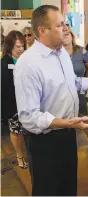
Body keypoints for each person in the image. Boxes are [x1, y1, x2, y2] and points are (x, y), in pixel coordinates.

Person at [14, 5, 88, 196]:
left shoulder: (62, 55)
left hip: (68, 136)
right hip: (45, 142)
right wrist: (65, 123)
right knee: (47, 190)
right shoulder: (28, 64)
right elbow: (28, 117)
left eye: (65, 23)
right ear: (42, 30)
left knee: (67, 188)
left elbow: (72, 83)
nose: (66, 28)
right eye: (60, 25)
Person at [63, 29, 88, 153]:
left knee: (83, 114)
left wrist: (85, 81)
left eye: (67, 33)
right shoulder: (57, 52)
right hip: (62, 91)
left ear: (72, 35)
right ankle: (67, 143)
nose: (65, 35)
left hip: (78, 90)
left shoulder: (82, 51)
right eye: (62, 34)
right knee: (64, 115)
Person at [1, 30, 28, 169]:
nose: (21, 49)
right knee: (16, 131)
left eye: (22, 45)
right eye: (17, 46)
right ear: (10, 46)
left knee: (28, 131)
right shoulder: (5, 63)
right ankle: (19, 155)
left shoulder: (27, 58)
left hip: (29, 102)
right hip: (14, 105)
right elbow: (5, 88)